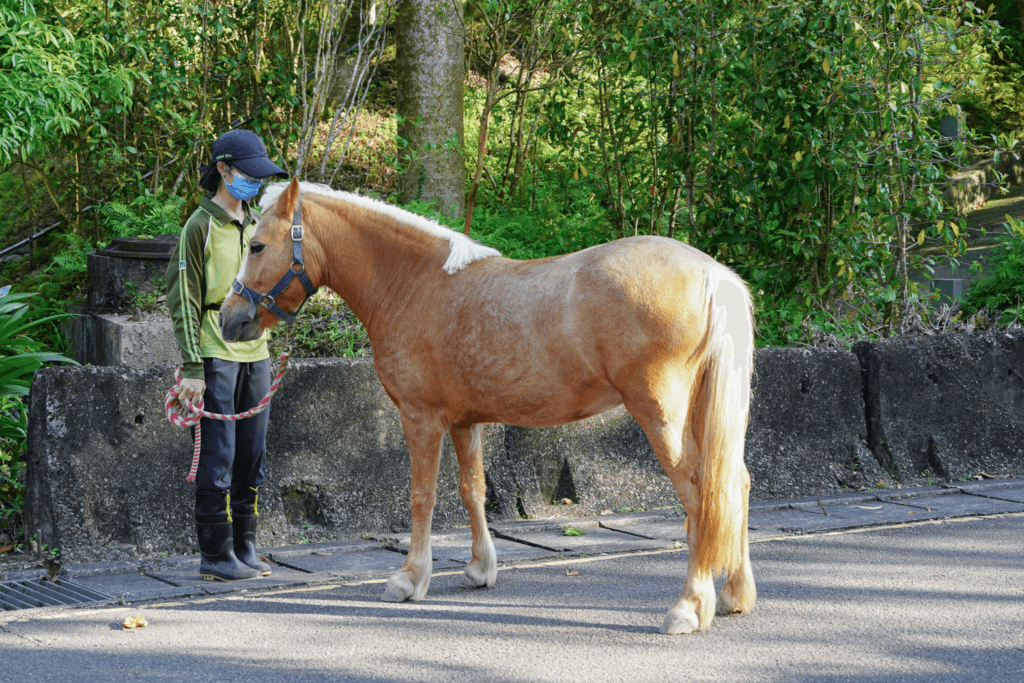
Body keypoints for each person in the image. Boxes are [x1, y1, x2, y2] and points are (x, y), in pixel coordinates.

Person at [165, 129, 289, 581]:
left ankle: (245, 547)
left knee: (251, 455)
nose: (254, 184)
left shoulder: (257, 221)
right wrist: (193, 368)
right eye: (247, 175)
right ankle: (215, 556)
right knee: (218, 457)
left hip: (256, 349)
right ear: (223, 169)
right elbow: (183, 300)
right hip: (215, 355)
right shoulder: (199, 227)